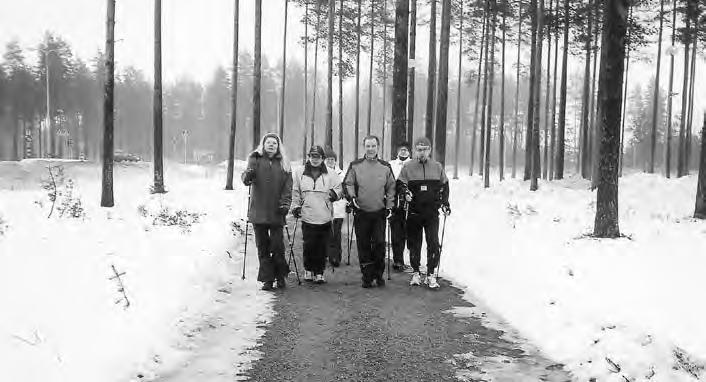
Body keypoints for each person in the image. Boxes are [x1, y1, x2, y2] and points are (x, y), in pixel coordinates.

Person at [396, 136, 451, 289]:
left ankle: (431, 273)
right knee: (414, 243)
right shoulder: (408, 167)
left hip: (432, 213)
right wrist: (405, 192)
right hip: (414, 212)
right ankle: (415, 272)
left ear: (430, 150)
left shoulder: (437, 167)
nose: (422, 153)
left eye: (425, 150)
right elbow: (400, 184)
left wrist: (445, 203)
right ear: (415, 151)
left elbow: (445, 187)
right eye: (419, 150)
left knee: (433, 243)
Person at [343, 135, 396, 288]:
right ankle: (367, 276)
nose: (371, 148)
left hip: (379, 212)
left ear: (378, 147)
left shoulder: (385, 166)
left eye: (373, 146)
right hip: (361, 212)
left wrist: (390, 206)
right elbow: (348, 183)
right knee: (363, 244)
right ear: (364, 147)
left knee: (379, 243)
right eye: (368, 146)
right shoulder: (355, 165)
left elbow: (391, 187)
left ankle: (378, 274)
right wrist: (352, 198)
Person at [241, 132, 293, 291]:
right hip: (259, 211)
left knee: (277, 246)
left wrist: (285, 204)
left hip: (277, 211)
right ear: (263, 145)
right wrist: (248, 173)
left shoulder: (284, 164)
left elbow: (288, 187)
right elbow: (245, 180)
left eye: (274, 143)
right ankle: (267, 279)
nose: (271, 145)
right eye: (268, 142)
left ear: (278, 146)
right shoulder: (256, 160)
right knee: (263, 247)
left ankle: (280, 276)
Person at [291, 145, 342, 284]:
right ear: (308, 157)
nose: (315, 159)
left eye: (318, 156)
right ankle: (308, 269)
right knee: (309, 244)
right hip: (307, 214)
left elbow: (339, 188)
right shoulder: (299, 172)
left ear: (322, 158)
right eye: (312, 156)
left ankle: (319, 272)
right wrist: (295, 207)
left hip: (324, 215)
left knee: (322, 245)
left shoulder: (331, 173)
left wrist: (334, 194)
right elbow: (295, 191)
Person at [388, 141, 412, 271]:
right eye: (401, 149)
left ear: (409, 152)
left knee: (409, 232)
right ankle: (398, 260)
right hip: (395, 202)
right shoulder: (391, 164)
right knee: (396, 232)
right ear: (397, 151)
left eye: (406, 150)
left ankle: (412, 259)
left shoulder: (414, 164)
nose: (403, 152)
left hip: (410, 202)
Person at [324, 149, 347, 267]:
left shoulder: (341, 174)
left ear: (335, 161)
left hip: (338, 209)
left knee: (336, 233)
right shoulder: (321, 173)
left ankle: (336, 257)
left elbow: (345, 190)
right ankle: (326, 254)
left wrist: (347, 203)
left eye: (332, 159)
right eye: (328, 159)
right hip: (324, 208)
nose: (330, 161)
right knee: (326, 232)